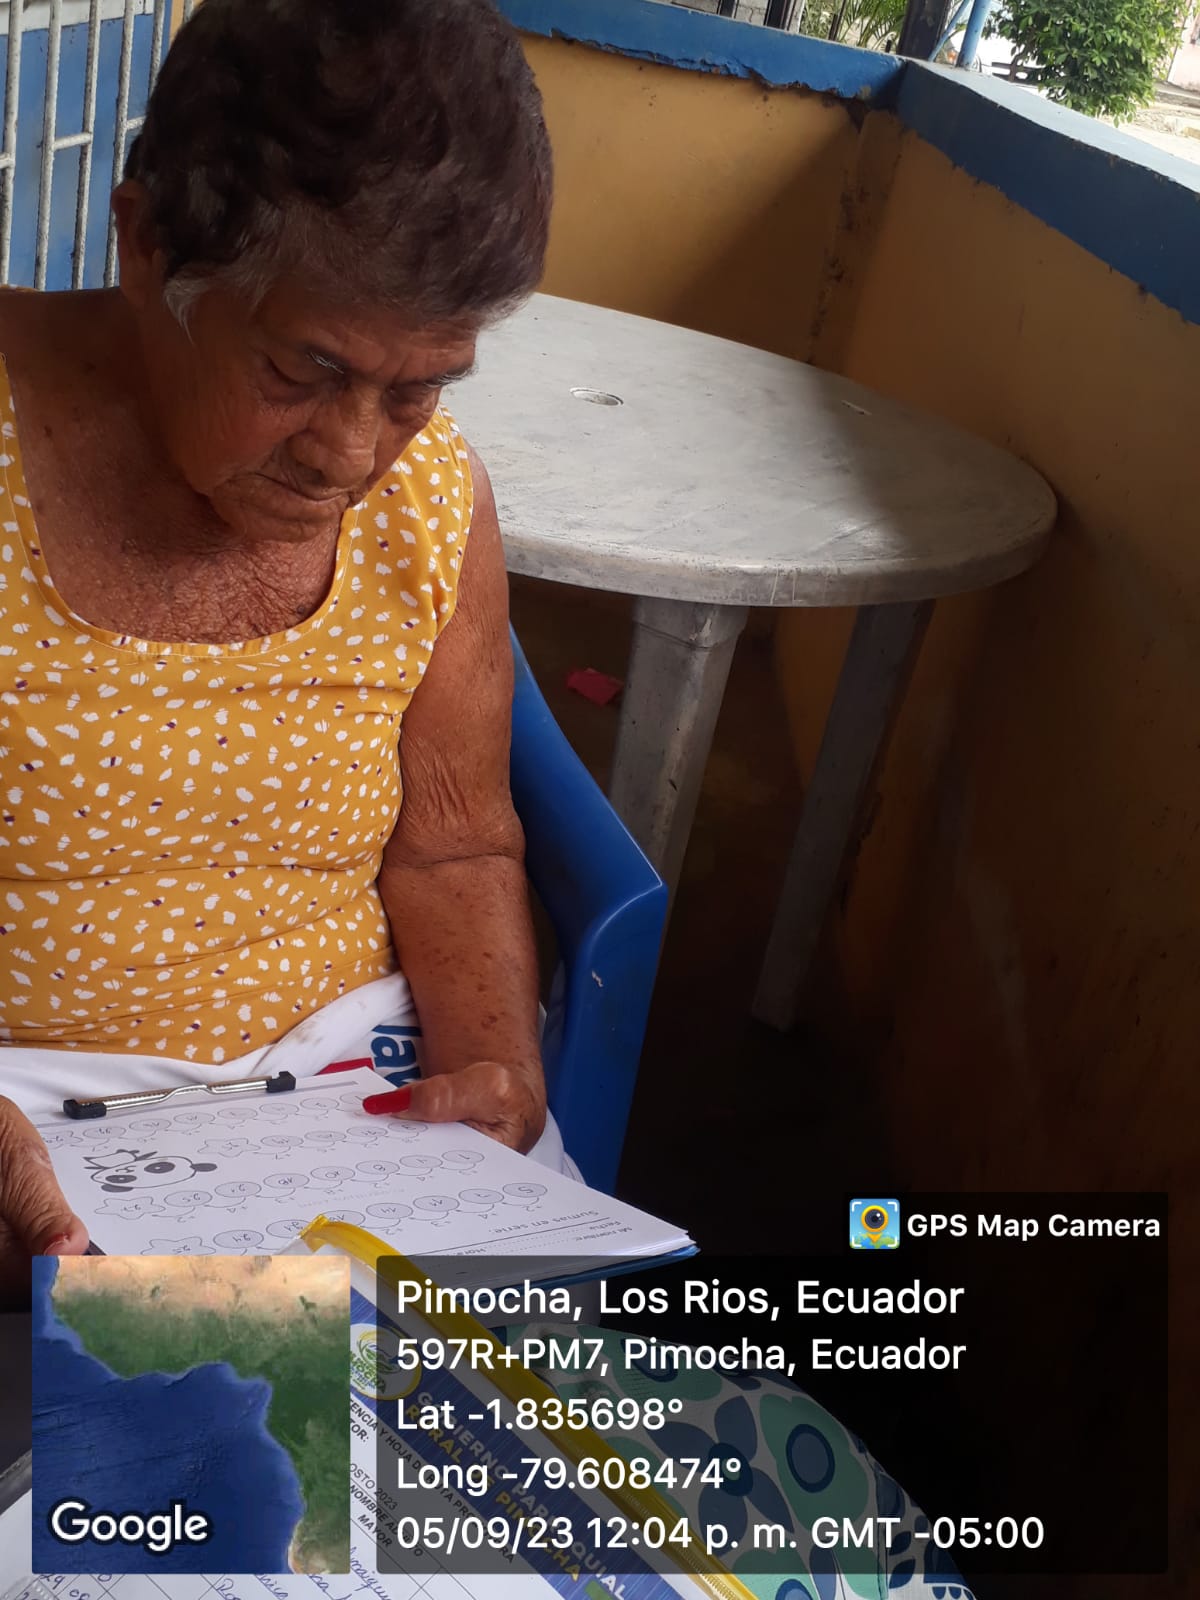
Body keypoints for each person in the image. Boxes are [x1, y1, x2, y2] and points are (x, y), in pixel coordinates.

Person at [0, 0, 558, 1298]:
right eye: (303, 371)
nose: (354, 454)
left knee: (526, 1420)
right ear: (145, 247)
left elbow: (456, 843)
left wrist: (494, 1072)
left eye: (419, 388)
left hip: (345, 1117)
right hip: (30, 1116)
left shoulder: (433, 503)